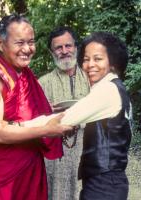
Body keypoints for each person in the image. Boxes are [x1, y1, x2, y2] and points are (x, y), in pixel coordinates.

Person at [0, 14, 72, 200]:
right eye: (19, 43)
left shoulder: (22, 72)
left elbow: (24, 113)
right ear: (0, 43)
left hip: (30, 164)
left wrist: (52, 113)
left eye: (31, 42)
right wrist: (46, 129)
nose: (27, 49)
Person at [28, 31, 132, 200]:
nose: (90, 64)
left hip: (101, 177)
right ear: (51, 52)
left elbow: (67, 117)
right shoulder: (43, 83)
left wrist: (16, 127)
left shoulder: (104, 86)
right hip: (64, 164)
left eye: (98, 59)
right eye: (86, 59)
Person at [39, 27, 89, 200]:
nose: (64, 51)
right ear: (52, 52)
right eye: (58, 48)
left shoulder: (91, 78)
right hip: (54, 159)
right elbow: (34, 123)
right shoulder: (42, 84)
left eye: (68, 46)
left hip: (86, 152)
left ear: (76, 47)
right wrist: (47, 113)